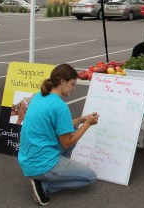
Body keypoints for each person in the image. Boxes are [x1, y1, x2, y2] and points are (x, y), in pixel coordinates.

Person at [18, 63, 99, 206]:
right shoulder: (60, 106)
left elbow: (61, 126)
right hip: (41, 163)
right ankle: (44, 186)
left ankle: (53, 173)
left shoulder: (38, 96)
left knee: (72, 129)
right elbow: (67, 142)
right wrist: (87, 124)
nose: (74, 88)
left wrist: (81, 119)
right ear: (62, 82)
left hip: (28, 158)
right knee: (90, 177)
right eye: (73, 84)